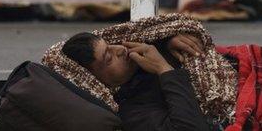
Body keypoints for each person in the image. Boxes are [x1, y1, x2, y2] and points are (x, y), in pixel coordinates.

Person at [61, 32, 210, 131]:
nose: (120, 49)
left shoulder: (147, 56)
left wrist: (170, 39)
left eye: (110, 44)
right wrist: (164, 69)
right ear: (95, 82)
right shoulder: (133, 113)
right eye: (108, 58)